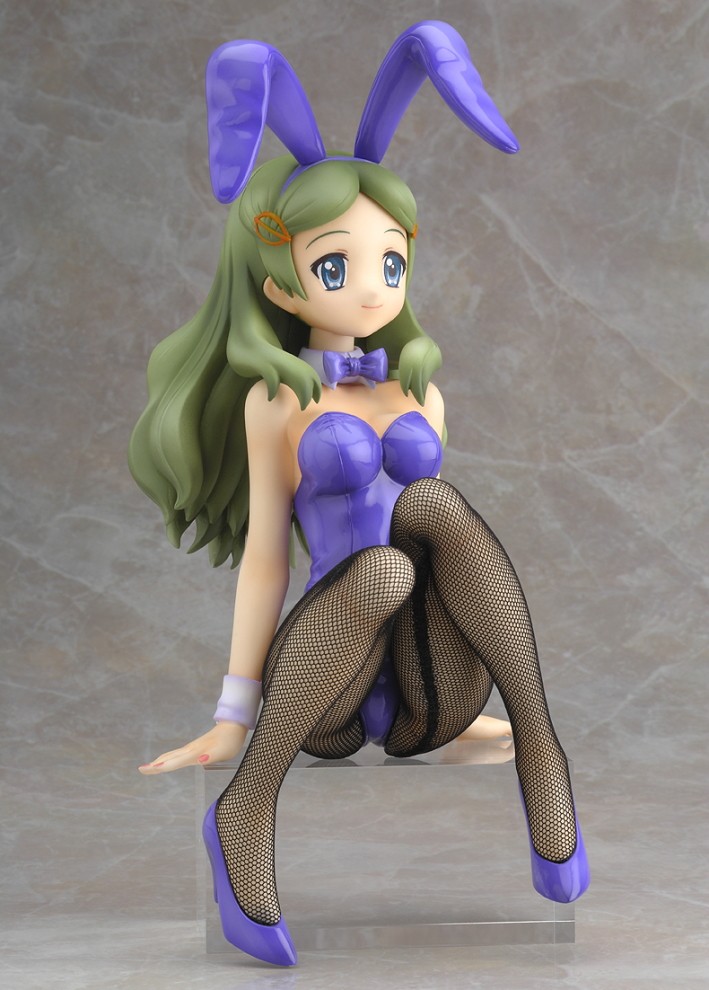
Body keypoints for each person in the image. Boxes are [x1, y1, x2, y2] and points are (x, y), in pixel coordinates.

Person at [129, 23, 589, 967]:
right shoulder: (276, 402)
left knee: (431, 511)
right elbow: (267, 560)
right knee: (379, 570)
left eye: (392, 262)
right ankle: (245, 806)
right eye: (335, 266)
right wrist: (233, 711)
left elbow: (450, 567)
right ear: (281, 283)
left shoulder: (419, 391)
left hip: (429, 690)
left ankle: (542, 747)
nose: (373, 289)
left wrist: (471, 711)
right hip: (328, 690)